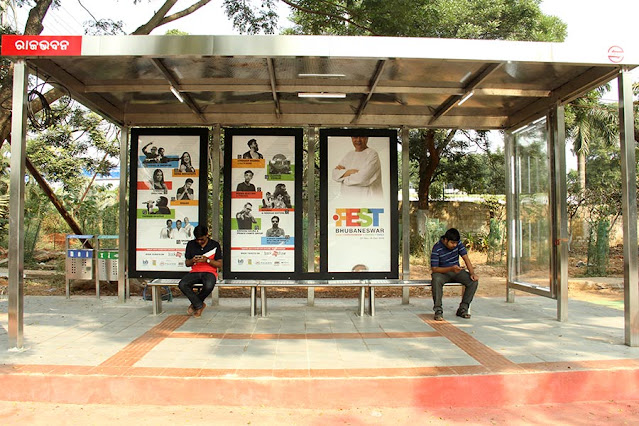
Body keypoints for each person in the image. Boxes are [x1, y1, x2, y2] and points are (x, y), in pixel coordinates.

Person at [430, 228, 479, 321]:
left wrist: (472, 273)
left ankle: (463, 308)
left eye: (456, 243)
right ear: (445, 240)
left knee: (473, 282)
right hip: (442, 272)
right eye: (452, 243)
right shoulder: (437, 248)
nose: (454, 245)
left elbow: (466, 258)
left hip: (456, 271)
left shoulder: (458, 244)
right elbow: (434, 269)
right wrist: (450, 268)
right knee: (436, 280)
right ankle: (438, 310)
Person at [178, 225, 222, 317]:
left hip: (210, 272)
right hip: (195, 271)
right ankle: (199, 305)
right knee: (182, 284)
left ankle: (196, 304)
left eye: (202, 239)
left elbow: (219, 264)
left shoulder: (214, 245)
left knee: (209, 285)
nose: (199, 241)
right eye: (197, 239)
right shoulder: (191, 244)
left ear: (207, 235)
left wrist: (207, 260)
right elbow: (187, 263)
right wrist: (192, 260)